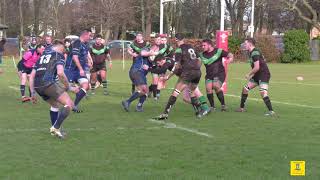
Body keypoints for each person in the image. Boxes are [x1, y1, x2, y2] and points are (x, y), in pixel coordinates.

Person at [153, 33, 210, 120]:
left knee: (175, 93)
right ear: (183, 39)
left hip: (188, 73)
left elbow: (177, 66)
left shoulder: (179, 50)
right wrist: (196, 67)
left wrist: (168, 77)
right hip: (197, 72)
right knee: (192, 92)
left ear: (176, 40)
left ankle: (165, 114)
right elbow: (199, 59)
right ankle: (202, 109)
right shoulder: (191, 47)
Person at [29, 40, 79, 139]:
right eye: (64, 49)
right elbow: (60, 73)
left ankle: (56, 130)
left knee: (55, 105)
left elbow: (31, 76)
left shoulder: (42, 56)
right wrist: (69, 87)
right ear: (60, 47)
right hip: (48, 83)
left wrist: (32, 93)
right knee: (69, 104)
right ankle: (55, 128)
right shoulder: (58, 55)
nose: (64, 51)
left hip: (38, 86)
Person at [235, 38, 276, 116]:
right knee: (245, 89)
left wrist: (249, 74)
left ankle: (271, 111)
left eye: (245, 43)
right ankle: (241, 108)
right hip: (257, 74)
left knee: (263, 92)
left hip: (263, 74)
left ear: (250, 44)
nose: (244, 45)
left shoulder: (255, 52)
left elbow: (257, 67)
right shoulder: (251, 52)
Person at [121, 45, 158, 112]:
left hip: (141, 74)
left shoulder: (152, 61)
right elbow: (143, 53)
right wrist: (153, 53)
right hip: (136, 71)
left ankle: (139, 106)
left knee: (145, 90)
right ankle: (127, 101)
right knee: (144, 90)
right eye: (153, 51)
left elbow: (155, 69)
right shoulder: (144, 52)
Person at [200, 39, 233, 111]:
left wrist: (229, 60)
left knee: (216, 86)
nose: (202, 47)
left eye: (204, 45)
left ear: (209, 45)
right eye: (202, 45)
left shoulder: (218, 51)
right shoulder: (202, 55)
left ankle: (223, 105)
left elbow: (230, 55)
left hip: (219, 73)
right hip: (209, 75)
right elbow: (198, 65)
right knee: (208, 89)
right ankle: (212, 107)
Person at [65, 29, 93, 113]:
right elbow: (75, 57)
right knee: (65, 87)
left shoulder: (85, 45)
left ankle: (74, 105)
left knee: (86, 85)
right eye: (89, 35)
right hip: (70, 69)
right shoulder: (77, 43)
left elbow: (84, 55)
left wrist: (88, 61)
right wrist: (81, 69)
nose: (90, 37)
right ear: (85, 35)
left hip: (78, 70)